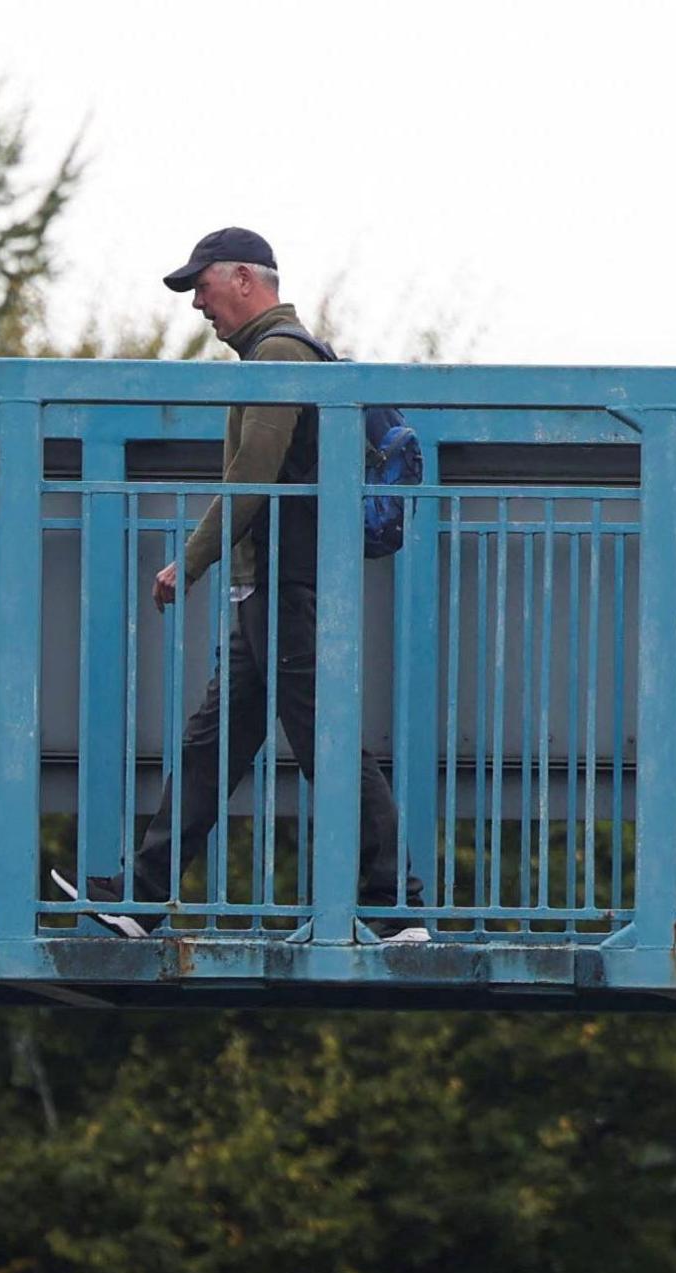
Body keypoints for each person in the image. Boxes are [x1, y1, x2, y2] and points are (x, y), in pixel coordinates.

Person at [54, 227, 428, 942]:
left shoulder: (280, 356)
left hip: (285, 584)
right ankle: (140, 898)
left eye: (204, 284)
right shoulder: (281, 354)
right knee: (212, 745)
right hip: (273, 587)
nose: (197, 302)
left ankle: (395, 906)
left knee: (328, 741)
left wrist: (188, 561)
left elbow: (252, 475)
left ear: (247, 280)